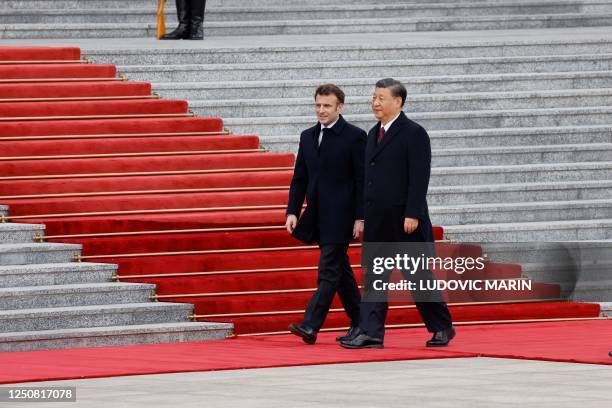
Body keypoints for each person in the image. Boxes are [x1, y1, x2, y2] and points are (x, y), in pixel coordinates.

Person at [340, 78, 455, 349]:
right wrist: (363, 216)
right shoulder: (372, 134)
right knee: (374, 277)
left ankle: (442, 327)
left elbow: (419, 177)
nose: (375, 103)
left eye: (381, 98)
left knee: (417, 277)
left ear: (398, 102)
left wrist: (413, 213)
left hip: (406, 221)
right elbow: (367, 179)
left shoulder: (414, 133)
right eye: (373, 97)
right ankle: (371, 332)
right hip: (378, 220)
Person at [285, 84, 366, 344]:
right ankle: (362, 322)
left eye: (327, 106)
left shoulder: (355, 136)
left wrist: (360, 217)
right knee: (340, 271)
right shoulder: (307, 135)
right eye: (318, 105)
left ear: (340, 107)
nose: (321, 110)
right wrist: (292, 211)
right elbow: (300, 177)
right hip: (317, 214)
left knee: (329, 269)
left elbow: (363, 180)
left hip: (342, 215)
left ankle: (311, 325)